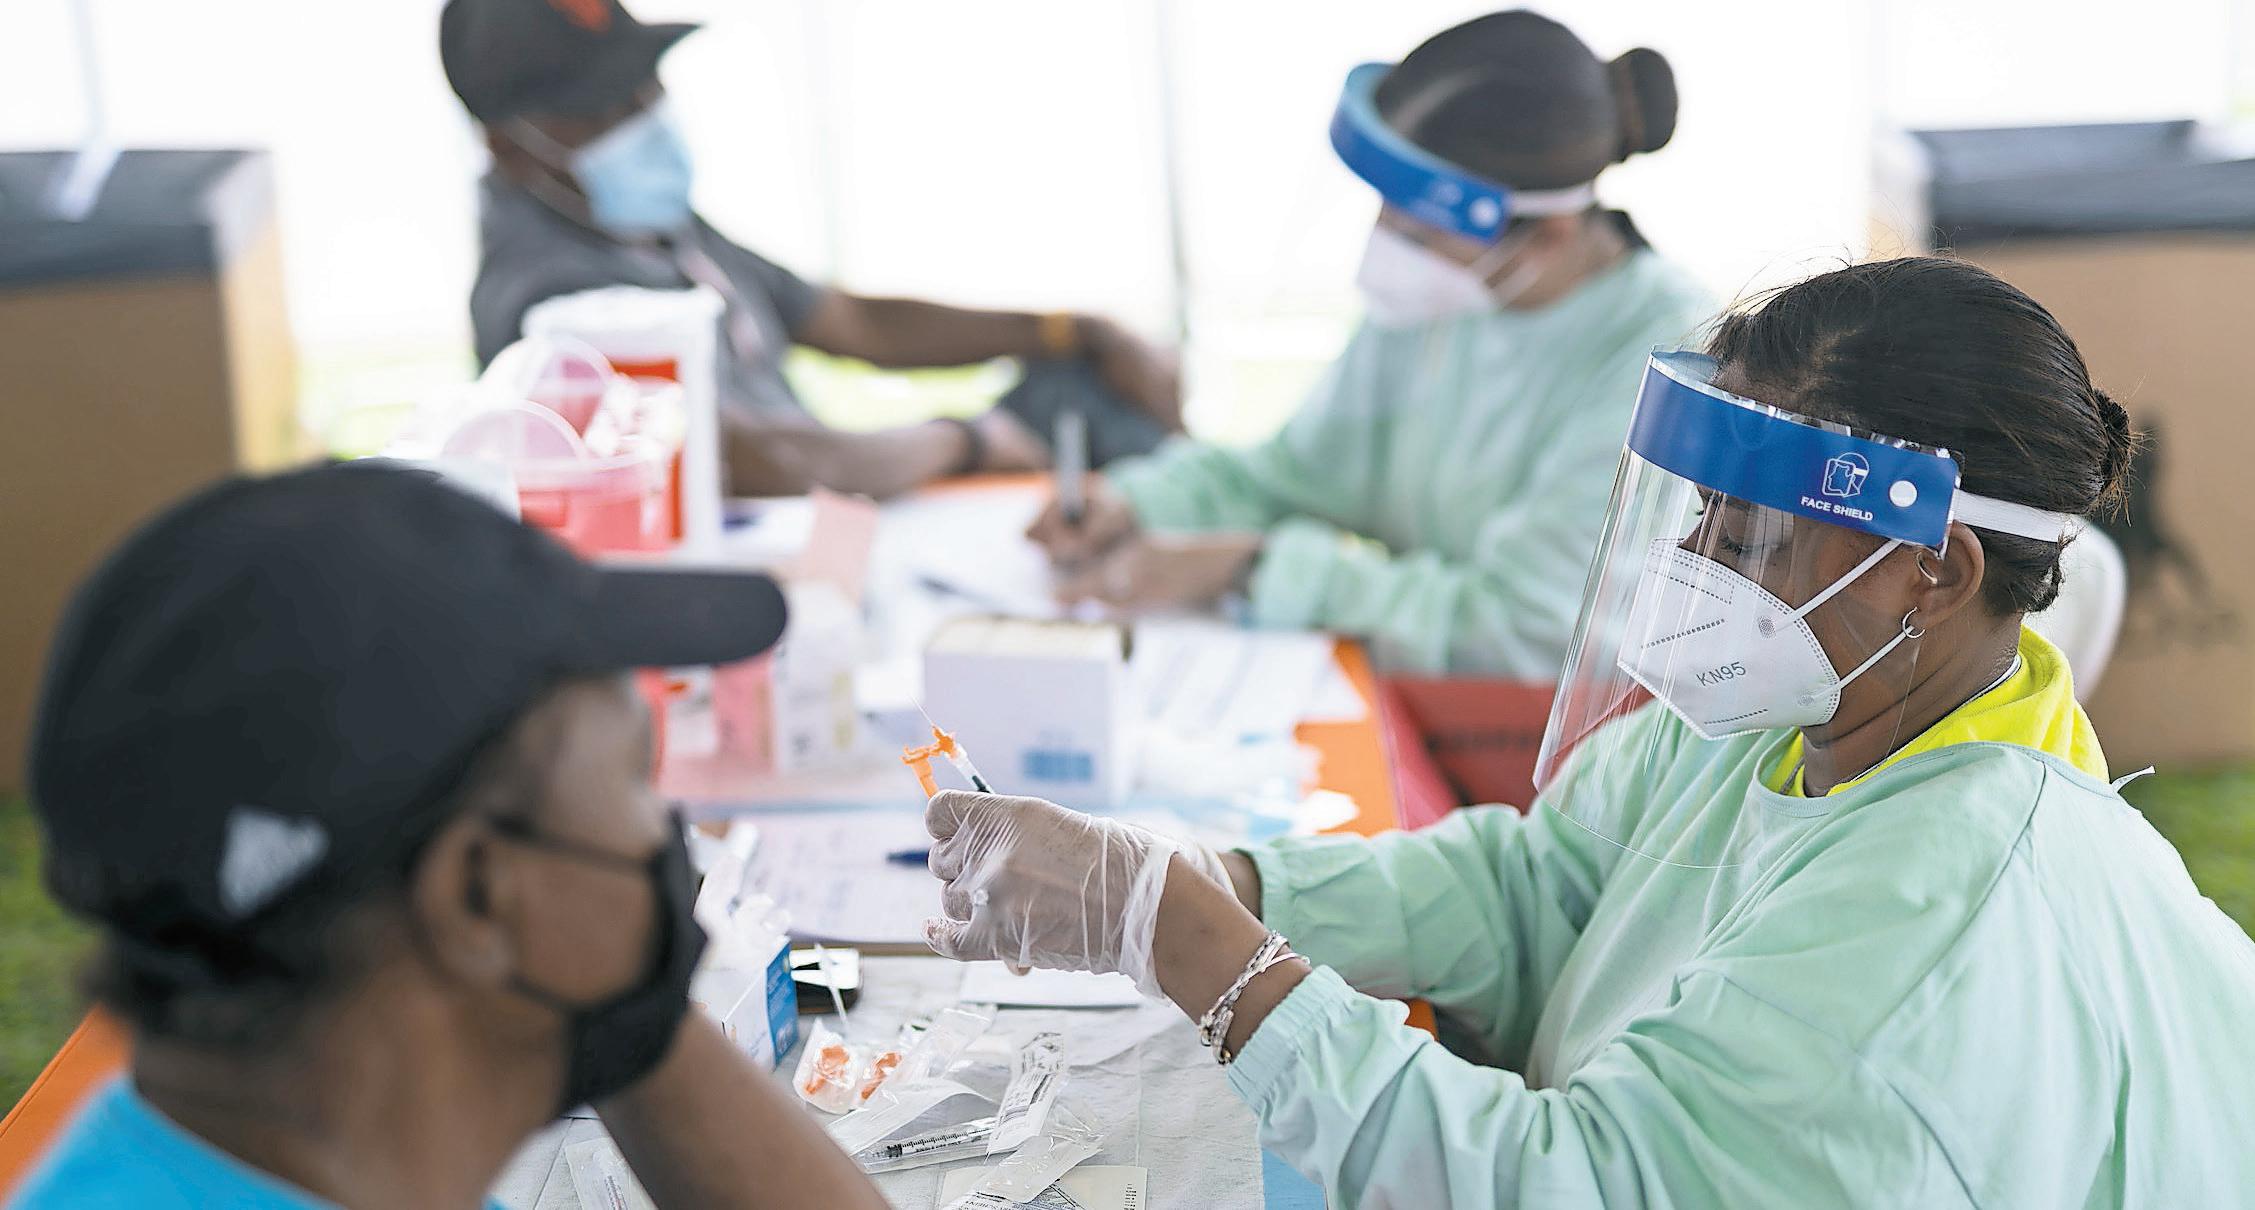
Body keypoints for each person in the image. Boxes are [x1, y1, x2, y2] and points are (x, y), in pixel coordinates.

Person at [921, 258, 2255, 1207]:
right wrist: (1223, 883)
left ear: (1933, 572)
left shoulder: (1932, 916)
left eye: (1749, 534)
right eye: (1697, 514)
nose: (1696, 563)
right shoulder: (1815, 703)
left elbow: (1580, 1185)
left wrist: (1196, 946)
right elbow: (1542, 883)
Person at [9, 464, 885, 1209]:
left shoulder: (273, 1149)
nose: (666, 828)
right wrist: (605, 958)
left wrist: (614, 993)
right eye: (632, 774)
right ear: (474, 891)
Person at [1026, 11, 1712, 677]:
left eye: (1417, 232)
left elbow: (1527, 632)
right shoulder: (1449, 295)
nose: (1387, 247)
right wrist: (1137, 505)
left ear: (1550, 236)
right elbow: (1291, 474)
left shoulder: (1664, 360)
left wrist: (1252, 568)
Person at [441, 0, 1180, 500]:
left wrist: (1067, 329)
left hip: (854, 495)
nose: (644, 117)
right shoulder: (553, 299)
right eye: (600, 109)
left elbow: (856, 324)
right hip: (794, 552)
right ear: (510, 148)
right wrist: (965, 440)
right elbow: (755, 461)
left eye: (644, 87)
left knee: (1084, 387)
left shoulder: (652, 230)